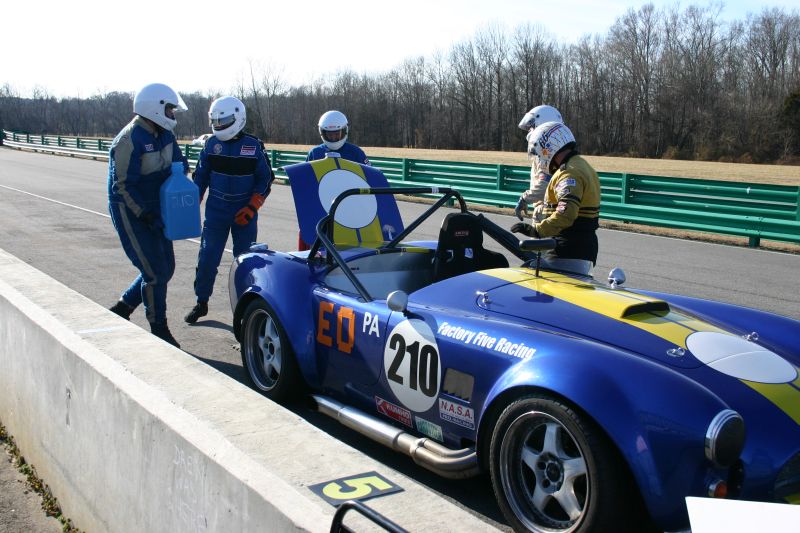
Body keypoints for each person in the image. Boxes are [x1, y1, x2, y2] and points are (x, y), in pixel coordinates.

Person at [107, 82, 189, 347]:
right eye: (170, 109)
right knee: (154, 272)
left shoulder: (165, 134)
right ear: (155, 108)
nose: (172, 115)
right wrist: (145, 214)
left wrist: (182, 179)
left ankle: (123, 307)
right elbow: (122, 187)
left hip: (158, 207)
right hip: (131, 210)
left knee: (166, 268)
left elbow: (179, 164)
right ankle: (158, 327)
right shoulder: (129, 139)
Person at [184, 96, 274, 324]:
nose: (219, 125)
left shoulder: (254, 146)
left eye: (223, 121)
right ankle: (201, 301)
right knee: (207, 257)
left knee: (245, 262)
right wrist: (194, 198)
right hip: (216, 210)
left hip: (245, 212)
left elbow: (265, 179)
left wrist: (253, 206)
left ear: (238, 117)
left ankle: (244, 311)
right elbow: (201, 176)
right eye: (216, 121)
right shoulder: (210, 145)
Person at [510, 121, 601, 276]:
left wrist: (537, 230)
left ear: (549, 148)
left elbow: (566, 213)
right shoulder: (582, 165)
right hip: (580, 247)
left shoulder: (569, 173)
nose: (539, 159)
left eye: (539, 153)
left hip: (567, 250)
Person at [298, 110, 370, 250]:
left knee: (349, 247)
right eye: (329, 134)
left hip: (351, 207)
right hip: (321, 207)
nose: (333, 137)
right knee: (318, 245)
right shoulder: (315, 153)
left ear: (345, 131)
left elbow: (369, 178)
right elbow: (306, 181)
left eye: (337, 133)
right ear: (322, 133)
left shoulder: (356, 153)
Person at [515, 105, 564, 223]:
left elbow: (544, 185)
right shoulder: (557, 148)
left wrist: (524, 199)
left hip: (547, 210)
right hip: (549, 208)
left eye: (532, 127)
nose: (530, 131)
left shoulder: (549, 152)